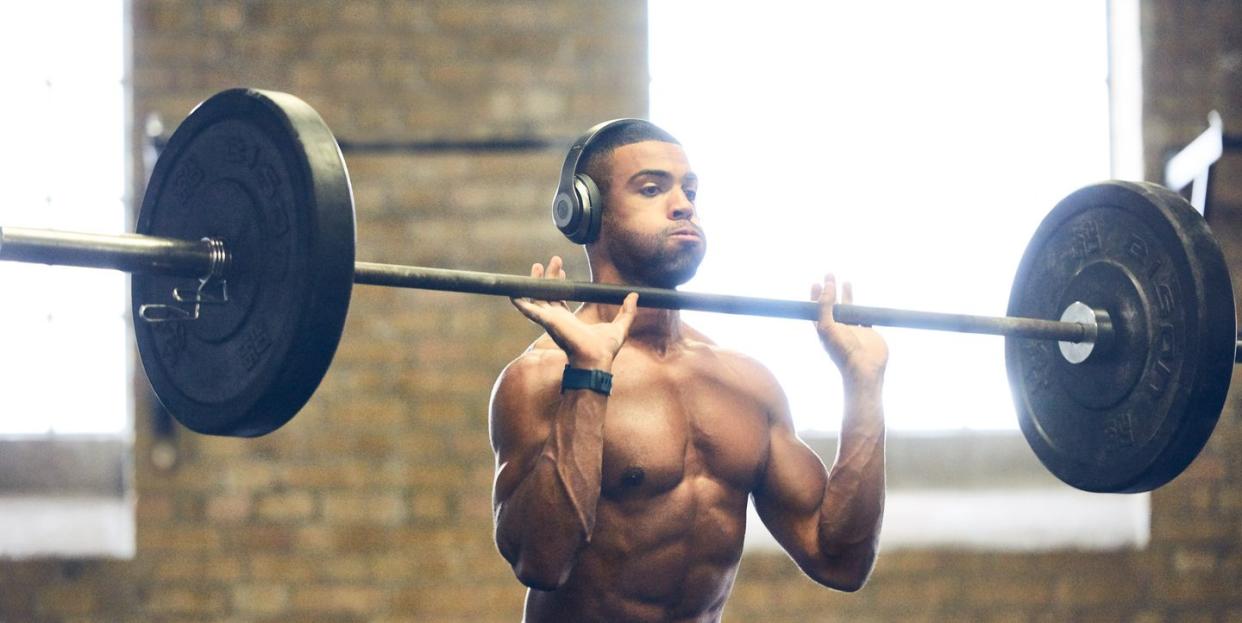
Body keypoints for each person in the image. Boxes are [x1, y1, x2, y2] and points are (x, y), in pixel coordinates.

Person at [488, 120, 887, 622]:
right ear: (588, 214)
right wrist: (588, 374)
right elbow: (541, 562)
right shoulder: (541, 378)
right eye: (652, 188)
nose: (683, 204)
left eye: (689, 189)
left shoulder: (744, 385)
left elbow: (841, 562)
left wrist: (864, 385)